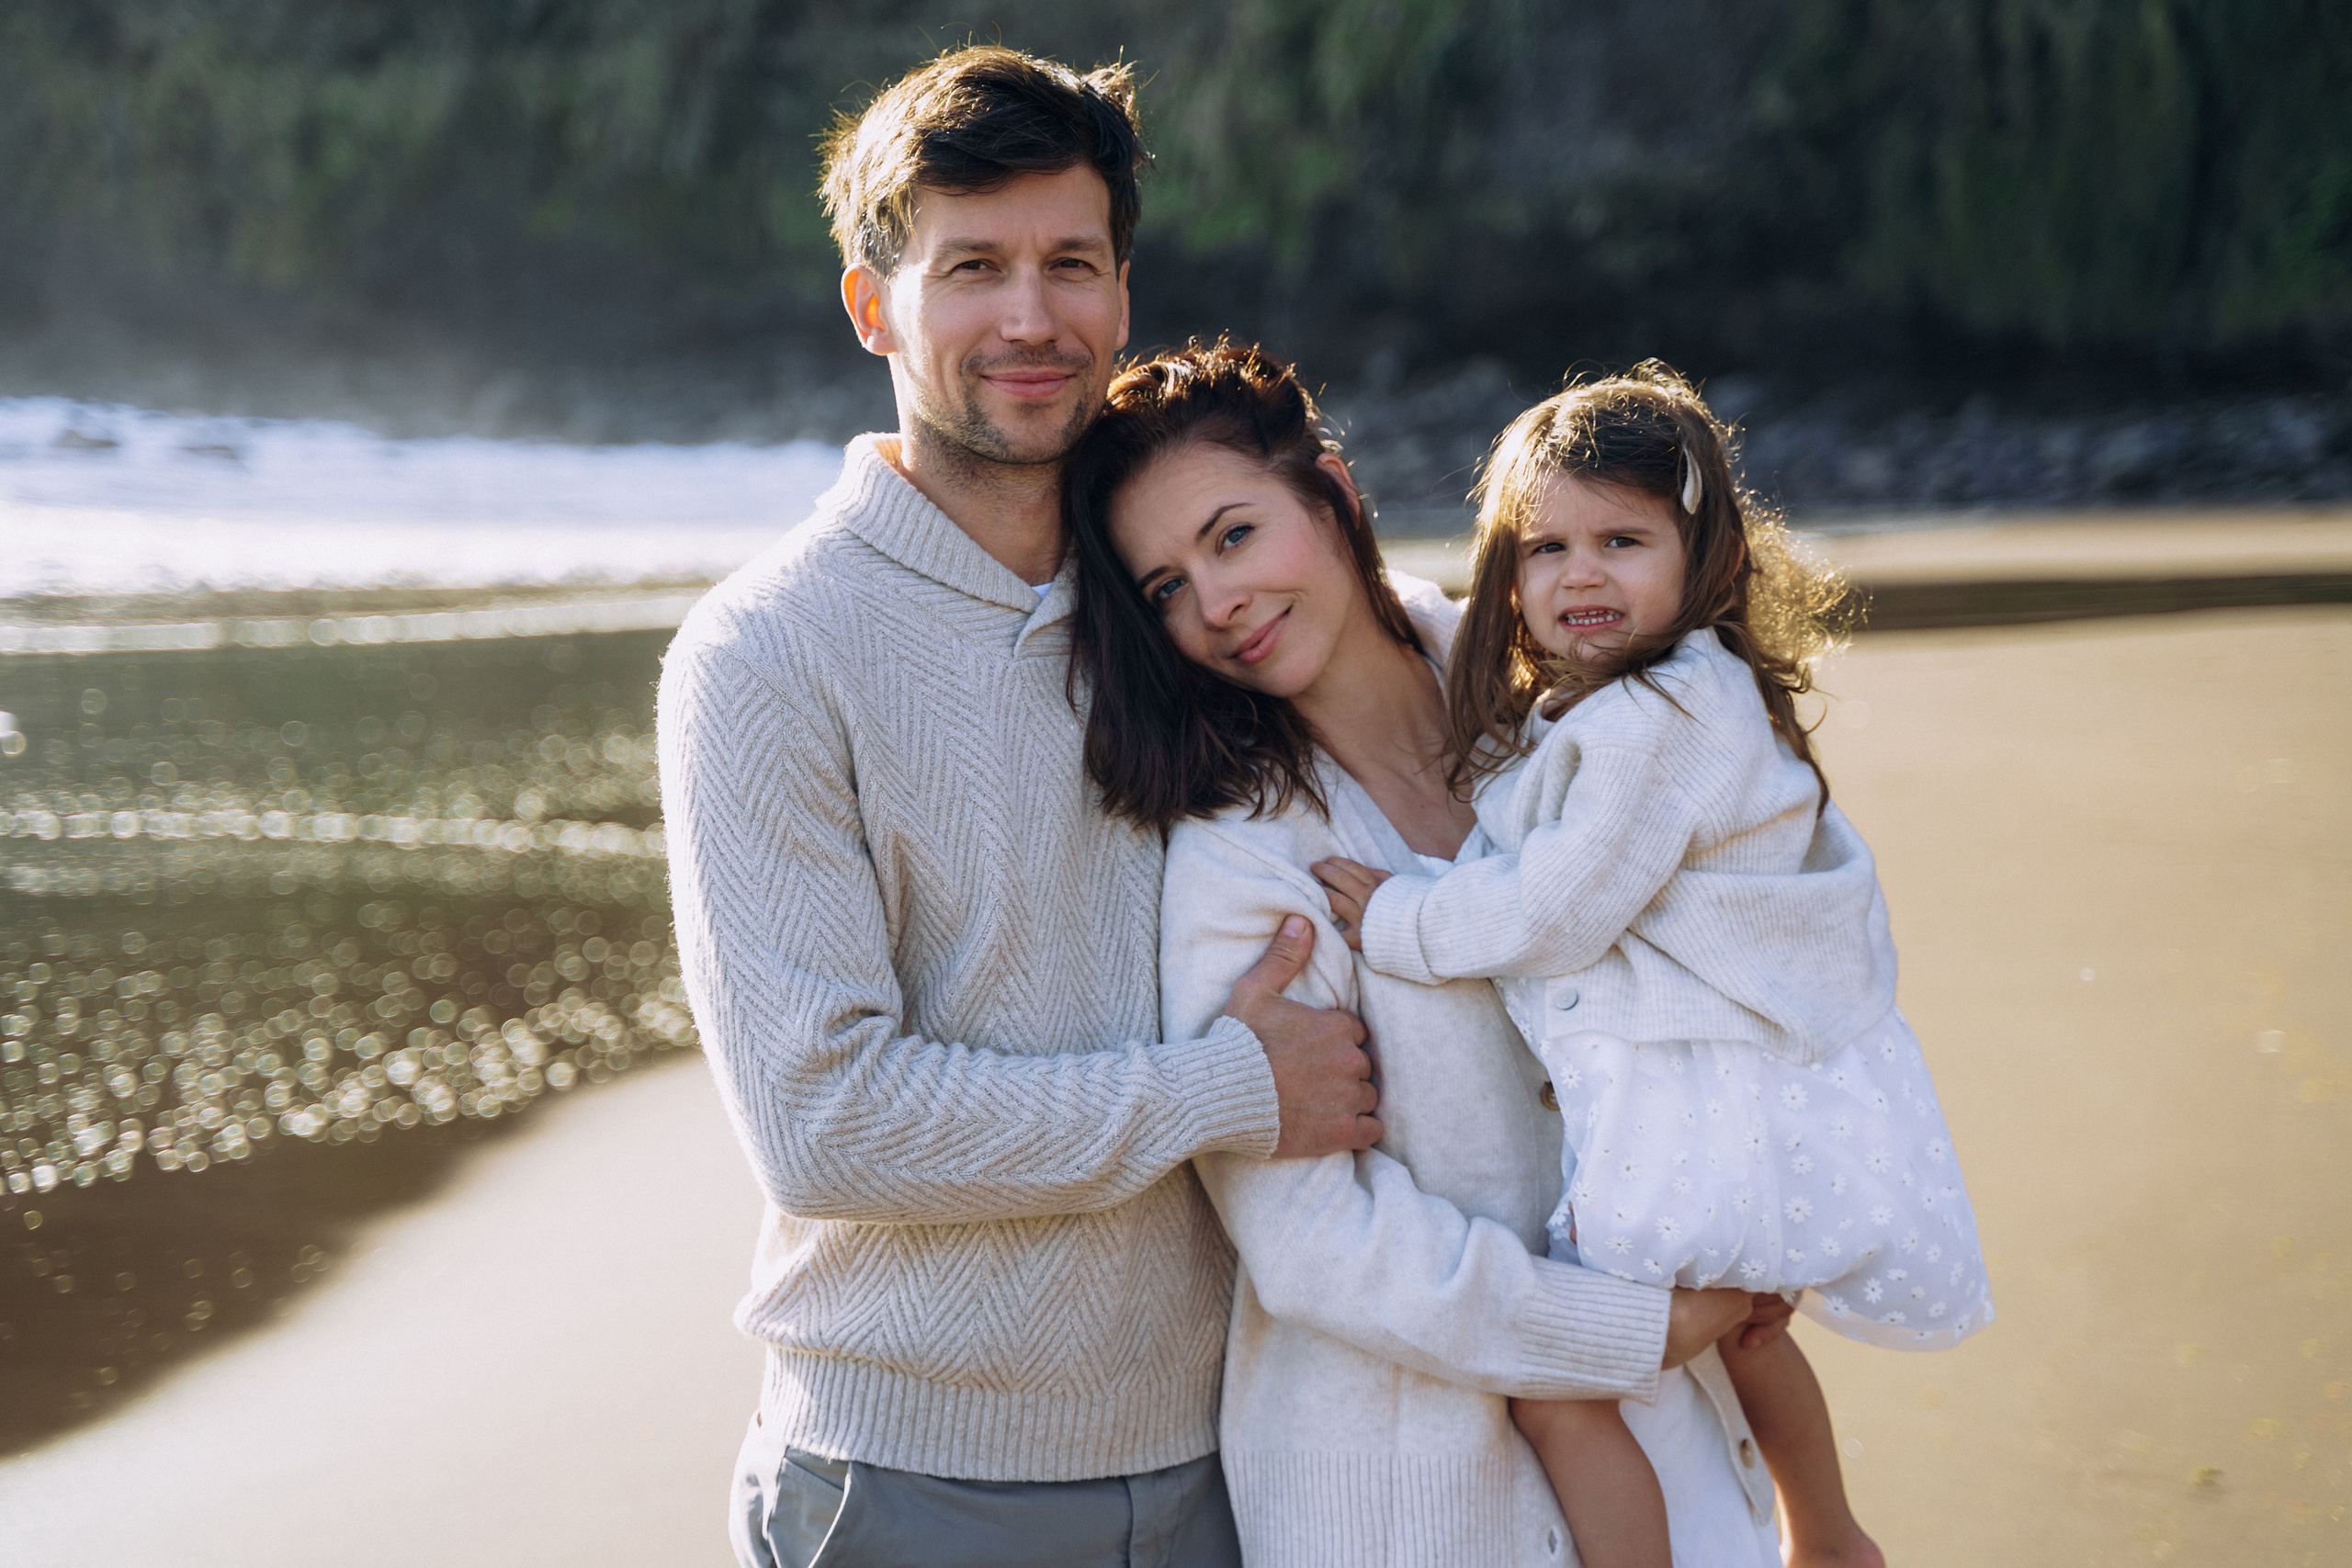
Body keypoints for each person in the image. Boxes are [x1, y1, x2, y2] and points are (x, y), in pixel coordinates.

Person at [658, 50, 1385, 1568]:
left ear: (1123, 291)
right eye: (971, 267)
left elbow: (1436, 696)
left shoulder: (1180, 597)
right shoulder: (767, 653)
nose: (1031, 318)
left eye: (1071, 263)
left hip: (1230, 1453)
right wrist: (1226, 1088)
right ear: (875, 308)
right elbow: (824, 1122)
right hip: (913, 1481)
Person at [1067, 337, 1792, 1567]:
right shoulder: (1243, 857)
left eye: (1234, 536)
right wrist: (1615, 1331)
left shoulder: (1554, 707)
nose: (1215, 602)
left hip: (1677, 1439)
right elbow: (1313, 1249)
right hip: (1418, 1498)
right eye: (1166, 589)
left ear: (1335, 498)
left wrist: (1760, 1205)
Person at [1310, 364, 1994, 1567]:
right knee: (1743, 1335)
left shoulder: (1657, 723)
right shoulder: (1665, 703)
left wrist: (1403, 921)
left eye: (1622, 540)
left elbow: (1554, 910)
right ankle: (1828, 1535)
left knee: (1562, 1383)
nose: (1580, 574)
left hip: (1686, 1116)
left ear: (1710, 560)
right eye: (1547, 546)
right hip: (1723, 1092)